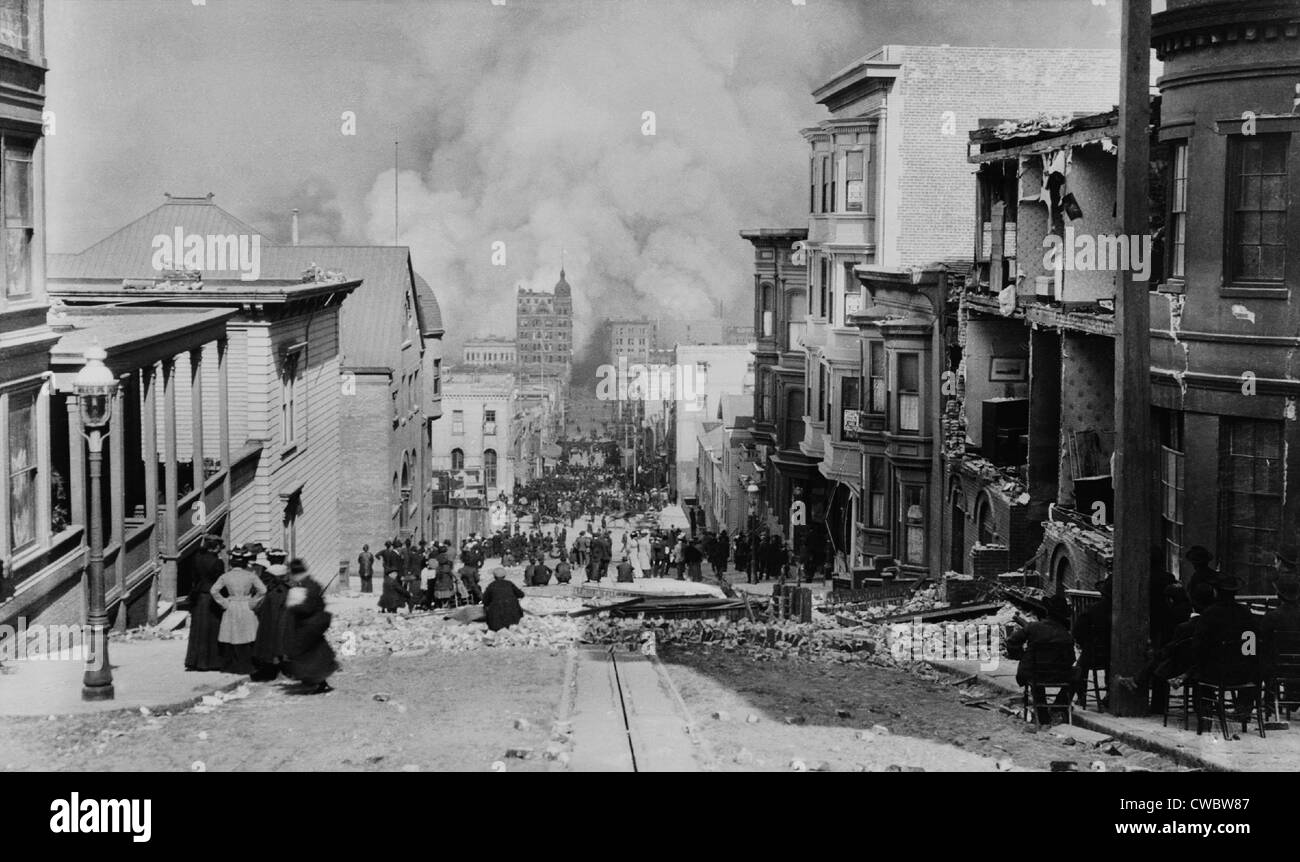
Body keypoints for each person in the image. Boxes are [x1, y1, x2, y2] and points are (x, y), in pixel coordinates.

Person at [1006, 593, 1076, 725]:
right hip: (1059, 676)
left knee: (1035, 675)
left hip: (1034, 673)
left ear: (1047, 612)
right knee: (1077, 673)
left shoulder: (1033, 627)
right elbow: (1071, 659)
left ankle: (1043, 715)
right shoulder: (1066, 636)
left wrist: (1022, 656)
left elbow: (1011, 641)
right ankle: (1059, 706)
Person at [209, 546, 267, 675]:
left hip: (231, 605)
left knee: (232, 634)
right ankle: (247, 665)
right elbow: (263, 590)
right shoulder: (251, 576)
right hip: (246, 605)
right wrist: (253, 602)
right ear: (245, 562)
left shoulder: (226, 576)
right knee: (247, 635)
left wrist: (224, 602)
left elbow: (214, 591)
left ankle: (231, 665)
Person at [283, 559, 338, 694]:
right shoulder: (307, 584)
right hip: (309, 625)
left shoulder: (309, 586)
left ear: (295, 573)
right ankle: (315, 680)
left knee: (307, 654)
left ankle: (317, 681)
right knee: (313, 653)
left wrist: (293, 607)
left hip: (309, 625)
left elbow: (308, 608)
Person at [185, 535, 227, 671]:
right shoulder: (218, 562)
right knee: (212, 629)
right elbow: (220, 583)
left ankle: (194, 661)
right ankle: (212, 662)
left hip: (199, 596)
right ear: (215, 548)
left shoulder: (197, 559)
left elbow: (193, 578)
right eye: (220, 547)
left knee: (198, 629)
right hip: (211, 597)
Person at [1071, 577, 1112, 708]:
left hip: (1094, 653)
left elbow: (1077, 630)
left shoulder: (1093, 609)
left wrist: (1084, 644)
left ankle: (1081, 695)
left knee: (1080, 668)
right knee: (1110, 666)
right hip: (1114, 654)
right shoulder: (1123, 609)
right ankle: (1110, 693)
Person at [251, 559, 291, 681]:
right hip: (278, 624)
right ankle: (280, 671)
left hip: (268, 623)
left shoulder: (269, 589)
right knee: (278, 648)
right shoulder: (281, 591)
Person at [483, 567, 525, 631]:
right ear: (504, 576)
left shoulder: (491, 586)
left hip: (497, 624)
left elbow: (485, 601)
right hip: (514, 620)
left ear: (494, 576)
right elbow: (521, 594)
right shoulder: (509, 584)